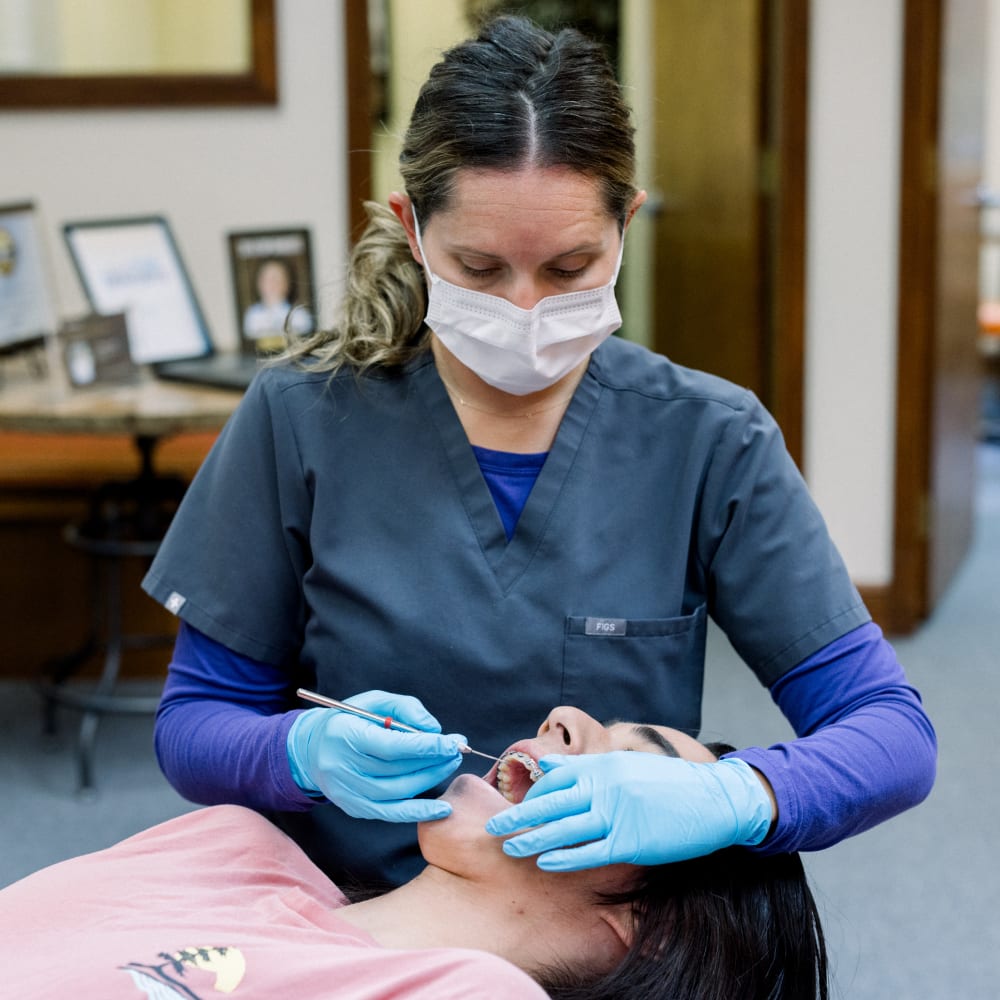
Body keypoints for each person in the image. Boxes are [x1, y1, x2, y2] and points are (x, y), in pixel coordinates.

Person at [141, 14, 936, 888]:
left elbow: (893, 736)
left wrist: (736, 793)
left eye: (569, 268)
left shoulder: (709, 439)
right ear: (413, 229)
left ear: (626, 223)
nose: (524, 308)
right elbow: (195, 724)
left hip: (595, 931)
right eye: (481, 269)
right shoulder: (302, 417)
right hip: (359, 914)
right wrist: (300, 751)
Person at [0, 709, 828, 999]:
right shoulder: (231, 843)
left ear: (647, 930)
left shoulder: (476, 993)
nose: (567, 716)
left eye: (627, 761)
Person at [241, 256, 313, 346]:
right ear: (259, 283)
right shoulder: (252, 314)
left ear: (287, 283)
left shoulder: (299, 314)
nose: (272, 284)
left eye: (277, 279)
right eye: (267, 279)